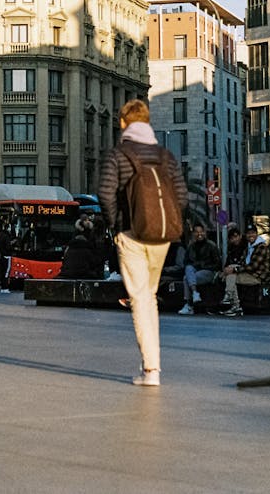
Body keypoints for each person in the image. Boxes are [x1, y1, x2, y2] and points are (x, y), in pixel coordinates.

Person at [98, 99, 188, 387]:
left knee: (140, 299)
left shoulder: (118, 154)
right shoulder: (166, 156)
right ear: (147, 123)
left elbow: (105, 193)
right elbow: (182, 196)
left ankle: (151, 369)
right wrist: (164, 220)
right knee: (149, 296)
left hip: (132, 233)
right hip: (162, 236)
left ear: (124, 122)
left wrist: (116, 225)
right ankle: (152, 366)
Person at [219, 224, 270, 317]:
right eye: (248, 233)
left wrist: (234, 269)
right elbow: (242, 262)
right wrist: (230, 269)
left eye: (253, 233)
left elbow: (253, 266)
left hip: (258, 276)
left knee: (232, 277)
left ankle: (232, 301)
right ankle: (232, 301)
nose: (250, 235)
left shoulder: (261, 246)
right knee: (231, 273)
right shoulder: (248, 247)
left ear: (256, 234)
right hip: (249, 274)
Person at [178, 224, 222, 315]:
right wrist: (193, 267)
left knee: (187, 278)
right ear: (193, 234)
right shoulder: (191, 246)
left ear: (204, 233)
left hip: (209, 271)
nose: (199, 234)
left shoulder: (211, 245)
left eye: (201, 231)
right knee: (188, 271)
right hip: (194, 270)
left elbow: (217, 264)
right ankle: (194, 294)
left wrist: (202, 266)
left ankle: (189, 304)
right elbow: (186, 262)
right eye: (197, 232)